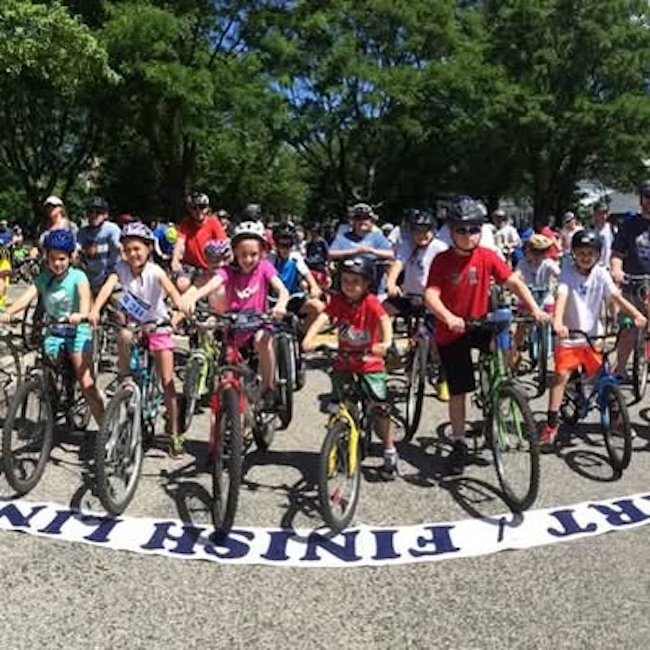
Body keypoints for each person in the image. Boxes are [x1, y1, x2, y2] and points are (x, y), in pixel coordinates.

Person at [423, 196, 548, 474]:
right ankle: (458, 442)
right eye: (462, 230)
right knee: (459, 389)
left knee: (502, 354)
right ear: (452, 230)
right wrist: (448, 317)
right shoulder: (442, 260)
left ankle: (498, 393)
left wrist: (535, 308)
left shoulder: (488, 256)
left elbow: (513, 281)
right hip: (454, 329)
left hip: (481, 323)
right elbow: (431, 295)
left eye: (474, 229)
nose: (469, 236)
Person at [88, 222, 187, 457]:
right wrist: (94, 310)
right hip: (133, 325)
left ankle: (174, 433)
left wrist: (180, 311)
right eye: (128, 249)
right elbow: (107, 288)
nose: (133, 254)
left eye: (137, 249)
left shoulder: (156, 271)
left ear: (148, 249)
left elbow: (173, 293)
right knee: (122, 334)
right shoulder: (120, 268)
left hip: (157, 325)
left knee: (167, 381)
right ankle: (125, 377)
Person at [541, 230, 646, 445]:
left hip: (593, 335)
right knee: (560, 376)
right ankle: (551, 424)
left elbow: (615, 296)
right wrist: (558, 321)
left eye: (590, 253)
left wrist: (636, 314)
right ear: (573, 254)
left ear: (598, 255)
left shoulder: (600, 273)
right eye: (581, 252)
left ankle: (617, 421)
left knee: (603, 376)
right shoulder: (567, 273)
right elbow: (562, 295)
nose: (585, 256)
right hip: (570, 336)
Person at [302, 257, 398, 480]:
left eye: (356, 281)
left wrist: (385, 343)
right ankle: (338, 442)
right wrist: (309, 338)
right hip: (344, 360)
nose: (350, 285)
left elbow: (384, 321)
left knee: (379, 406)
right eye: (345, 280)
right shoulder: (338, 301)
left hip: (369, 361)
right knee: (338, 404)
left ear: (366, 284)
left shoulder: (371, 302)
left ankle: (389, 449)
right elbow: (323, 317)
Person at [180, 220, 290, 409]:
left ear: (262, 252)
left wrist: (280, 304)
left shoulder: (264, 268)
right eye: (243, 255)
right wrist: (194, 296)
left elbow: (282, 290)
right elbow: (211, 284)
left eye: (253, 254)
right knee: (228, 367)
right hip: (233, 325)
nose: (248, 259)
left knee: (262, 340)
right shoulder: (228, 272)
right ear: (235, 254)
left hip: (259, 322)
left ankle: (268, 387)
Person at [0, 229, 104, 425]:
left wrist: (81, 315)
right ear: (46, 258)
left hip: (77, 331)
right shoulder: (44, 278)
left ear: (71, 257)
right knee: (47, 367)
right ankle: (54, 400)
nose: (57, 263)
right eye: (53, 258)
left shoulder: (78, 277)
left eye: (62, 259)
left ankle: (106, 431)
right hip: (54, 331)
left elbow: (84, 299)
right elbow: (26, 297)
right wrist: (8, 313)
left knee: (86, 382)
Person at [384, 209, 449, 399]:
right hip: (410, 296)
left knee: (440, 342)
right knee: (380, 311)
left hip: (433, 299)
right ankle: (390, 347)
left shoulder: (440, 247)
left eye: (427, 230)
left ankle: (442, 380)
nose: (423, 235)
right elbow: (398, 264)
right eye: (418, 231)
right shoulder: (407, 245)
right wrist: (391, 283)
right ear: (411, 231)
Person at [611, 180, 650, 375]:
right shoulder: (629, 225)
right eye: (647, 197)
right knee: (627, 328)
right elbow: (617, 253)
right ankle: (619, 369)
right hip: (633, 283)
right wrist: (616, 271)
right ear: (641, 199)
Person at [510, 234, 561, 366]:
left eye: (544, 252)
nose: (540, 255)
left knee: (554, 321)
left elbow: (559, 274)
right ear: (529, 251)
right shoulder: (523, 263)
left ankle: (557, 353)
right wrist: (513, 282)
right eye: (537, 252)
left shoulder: (549, 263)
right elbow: (516, 276)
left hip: (545, 297)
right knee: (521, 327)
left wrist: (564, 282)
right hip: (527, 298)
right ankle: (514, 354)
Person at [269, 223, 325, 331]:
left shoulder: (295, 257)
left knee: (318, 307)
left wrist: (314, 287)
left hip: (293, 298)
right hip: (273, 300)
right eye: (282, 245)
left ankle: (302, 334)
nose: (285, 249)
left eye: (289, 245)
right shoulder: (270, 259)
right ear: (276, 244)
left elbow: (306, 273)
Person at [328, 203, 394, 292]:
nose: (362, 221)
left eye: (366, 218)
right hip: (348, 287)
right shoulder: (342, 237)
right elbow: (331, 253)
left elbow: (392, 254)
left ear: (371, 221)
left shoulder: (378, 238)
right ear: (353, 221)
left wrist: (371, 251)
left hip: (374, 286)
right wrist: (355, 251)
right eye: (358, 218)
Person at [171, 192, 227, 292]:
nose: (198, 211)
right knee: (182, 284)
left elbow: (223, 244)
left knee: (212, 288)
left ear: (207, 208)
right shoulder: (186, 223)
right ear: (190, 209)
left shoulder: (213, 222)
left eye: (202, 207)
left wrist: (221, 263)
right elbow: (180, 242)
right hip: (189, 264)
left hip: (208, 265)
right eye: (194, 207)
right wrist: (175, 259)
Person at [76, 196, 122, 296]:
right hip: (90, 281)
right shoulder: (83, 232)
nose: (93, 215)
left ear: (106, 215)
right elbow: (77, 248)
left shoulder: (112, 229)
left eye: (98, 212)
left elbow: (117, 244)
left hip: (110, 280)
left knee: (118, 308)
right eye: (90, 212)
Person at [304, 223, 331, 290]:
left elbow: (327, 254)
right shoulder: (309, 244)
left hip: (320, 266)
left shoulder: (322, 242)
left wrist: (327, 265)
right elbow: (308, 255)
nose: (313, 233)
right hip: (311, 266)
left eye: (315, 232)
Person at [592, 201, 613, 268]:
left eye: (605, 213)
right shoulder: (590, 230)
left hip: (608, 266)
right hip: (594, 266)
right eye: (599, 213)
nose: (602, 216)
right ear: (595, 214)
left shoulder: (613, 229)